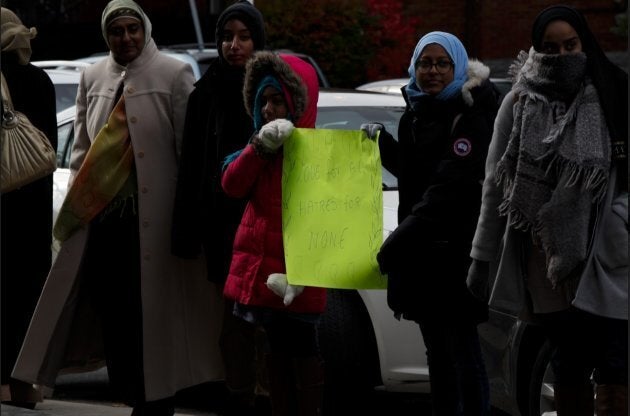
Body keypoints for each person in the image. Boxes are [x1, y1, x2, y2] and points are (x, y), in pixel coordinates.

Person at [12, 1, 224, 415]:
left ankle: (156, 401)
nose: (125, 38)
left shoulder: (174, 72)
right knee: (117, 317)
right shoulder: (93, 76)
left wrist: (189, 220)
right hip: (104, 224)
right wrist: (76, 208)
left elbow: (188, 151)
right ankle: (131, 393)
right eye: (116, 31)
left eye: (132, 29)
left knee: (154, 317)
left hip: (158, 226)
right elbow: (81, 153)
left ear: (144, 30)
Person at [466, 5, 628, 416]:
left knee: (616, 365)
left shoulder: (615, 91)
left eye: (570, 45)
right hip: (547, 266)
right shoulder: (518, 103)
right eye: (551, 48)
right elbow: (495, 186)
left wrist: (619, 224)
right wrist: (481, 259)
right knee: (568, 365)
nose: (562, 56)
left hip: (611, 262)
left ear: (584, 42)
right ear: (537, 50)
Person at [368, 31, 499, 415]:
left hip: (457, 255)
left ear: (458, 66)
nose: (433, 71)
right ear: (414, 66)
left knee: (463, 352)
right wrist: (380, 146)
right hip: (423, 255)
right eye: (425, 63)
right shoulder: (415, 112)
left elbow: (448, 188)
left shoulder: (471, 114)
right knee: (437, 355)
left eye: (443, 63)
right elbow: (415, 178)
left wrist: (396, 245)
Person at [170, 2, 268, 414]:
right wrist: (185, 232)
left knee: (270, 319)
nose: (234, 45)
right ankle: (239, 395)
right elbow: (191, 166)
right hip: (223, 227)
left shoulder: (272, 88)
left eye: (244, 36)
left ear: (258, 41)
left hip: (269, 221)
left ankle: (270, 394)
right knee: (232, 321)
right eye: (227, 36)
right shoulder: (206, 93)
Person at [221, 50, 326, 416]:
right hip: (266, 274)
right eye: (262, 100)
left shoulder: (318, 154)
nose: (268, 109)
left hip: (302, 274)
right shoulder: (258, 148)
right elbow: (232, 185)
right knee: (275, 351)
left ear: (298, 103)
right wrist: (258, 148)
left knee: (303, 349)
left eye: (278, 100)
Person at [0, 7, 57, 409]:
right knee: (27, 300)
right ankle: (23, 382)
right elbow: (49, 149)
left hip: (3, 213)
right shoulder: (39, 80)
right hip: (32, 210)